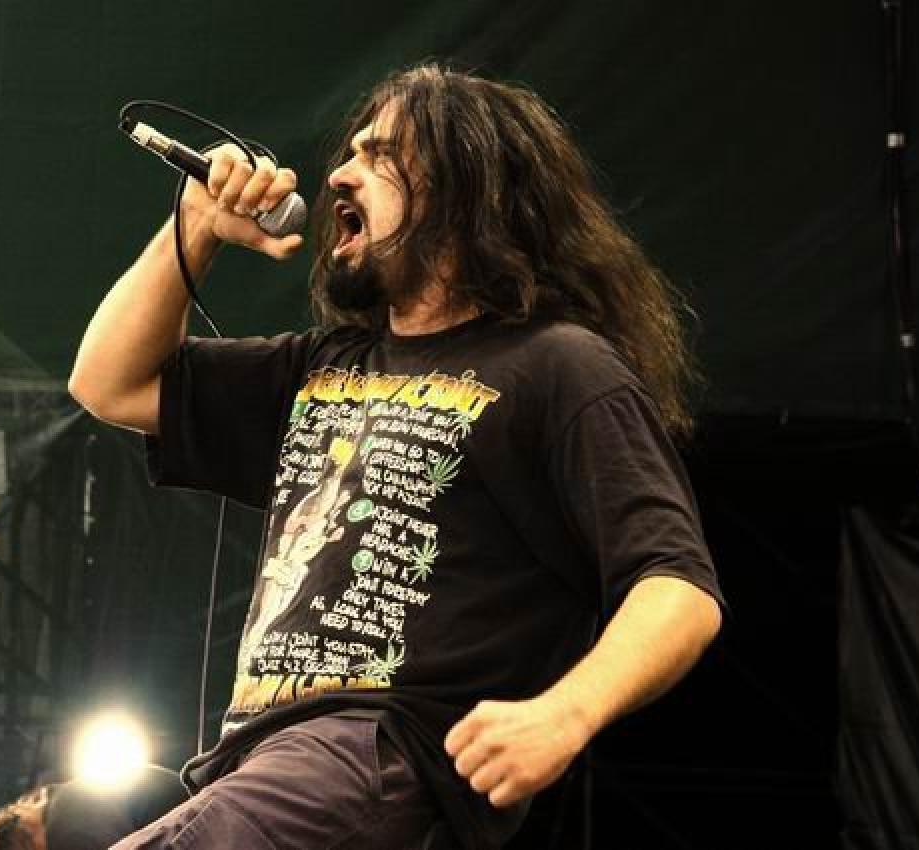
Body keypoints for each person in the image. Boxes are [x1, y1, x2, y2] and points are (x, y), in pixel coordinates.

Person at [68, 63, 725, 849]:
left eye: (378, 156)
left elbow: (677, 586)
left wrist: (566, 712)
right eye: (348, 153)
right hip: (263, 759)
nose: (338, 175)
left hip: (379, 753)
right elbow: (109, 382)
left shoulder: (559, 365)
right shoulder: (325, 364)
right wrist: (196, 227)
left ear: (464, 190)